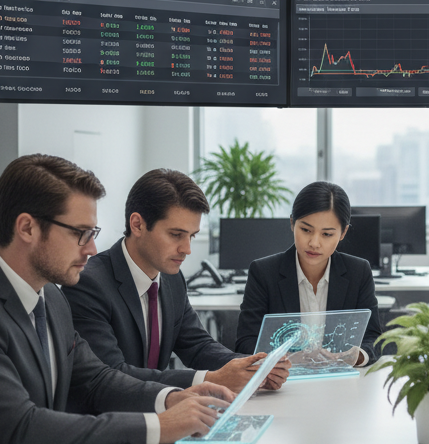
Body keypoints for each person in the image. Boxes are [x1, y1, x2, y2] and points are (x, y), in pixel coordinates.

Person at [0, 155, 233, 444]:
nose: (91, 249)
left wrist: (171, 398)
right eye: (80, 233)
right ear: (27, 228)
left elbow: (97, 380)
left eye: (93, 234)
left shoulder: (51, 298)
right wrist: (159, 426)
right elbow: (22, 429)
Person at [64, 169, 289, 400]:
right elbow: (113, 375)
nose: (187, 249)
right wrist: (210, 379)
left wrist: (251, 366)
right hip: (113, 421)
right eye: (176, 234)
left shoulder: (171, 278)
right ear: (137, 225)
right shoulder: (89, 284)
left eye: (191, 236)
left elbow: (197, 345)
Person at [235, 181, 381, 363]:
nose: (314, 243)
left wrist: (354, 356)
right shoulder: (264, 272)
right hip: (284, 382)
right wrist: (287, 359)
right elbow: (245, 342)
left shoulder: (358, 272)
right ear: (292, 224)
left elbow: (374, 338)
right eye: (305, 230)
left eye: (327, 234)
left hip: (339, 379)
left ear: (343, 233)